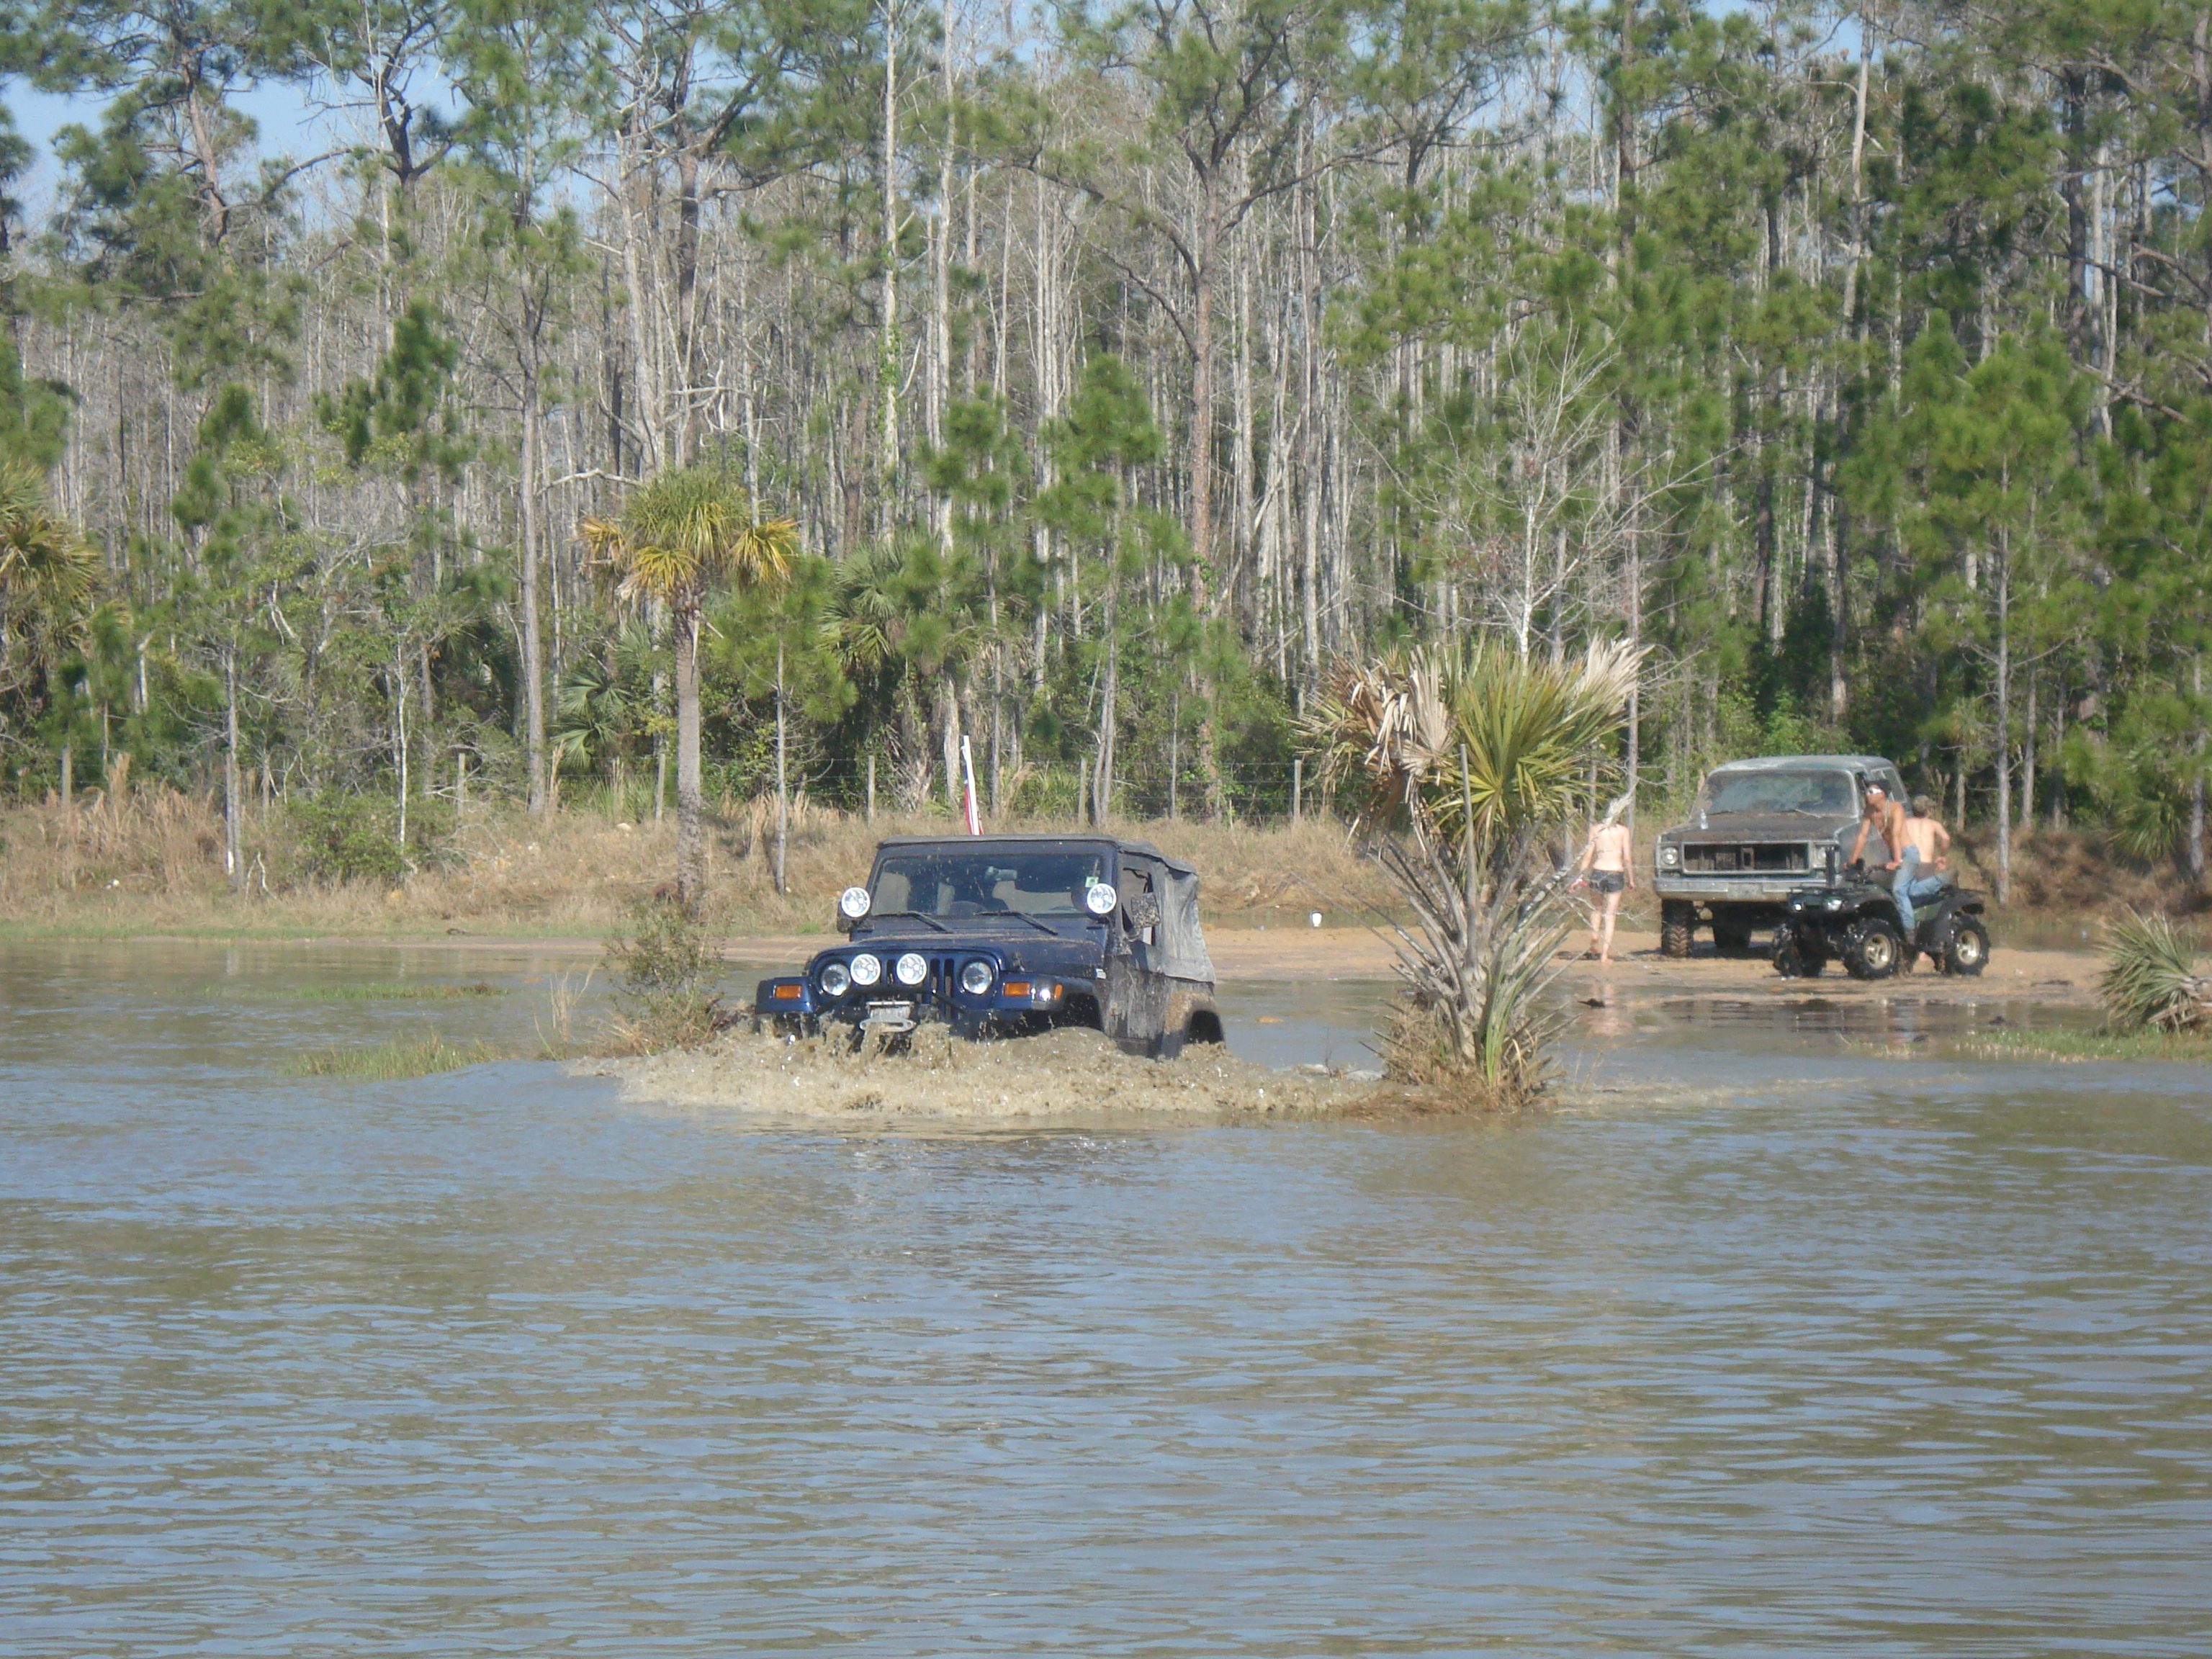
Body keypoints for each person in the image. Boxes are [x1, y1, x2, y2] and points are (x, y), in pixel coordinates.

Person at [1572, 806, 1635, 963]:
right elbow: (1627, 857)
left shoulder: (1595, 829)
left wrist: (1579, 877)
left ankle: (1594, 935)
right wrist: (1631, 878)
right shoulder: (1623, 831)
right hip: (1616, 873)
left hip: (1598, 871)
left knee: (1596, 909)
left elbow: (1588, 856)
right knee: (1610, 914)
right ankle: (1605, 955)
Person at [1892, 797, 1954, 949]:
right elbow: (1946, 838)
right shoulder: (1933, 824)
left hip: (1909, 865)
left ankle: (1910, 937)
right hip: (1926, 865)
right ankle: (1922, 946)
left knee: (1909, 901)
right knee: (1926, 904)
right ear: (1927, 810)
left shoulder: (1905, 823)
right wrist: (1942, 855)